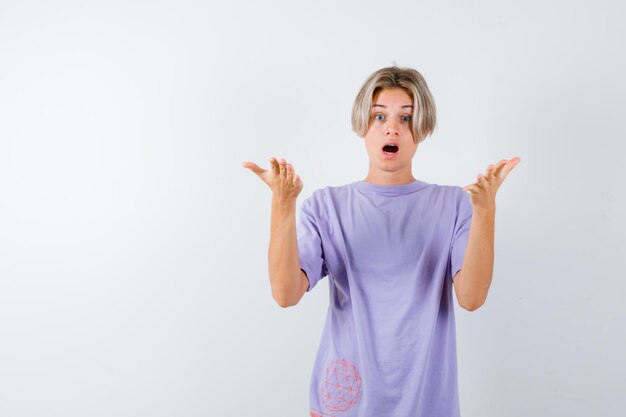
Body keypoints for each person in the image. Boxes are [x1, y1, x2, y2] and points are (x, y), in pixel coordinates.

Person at [242, 65, 520, 417]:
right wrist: (283, 204)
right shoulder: (326, 207)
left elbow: (472, 297)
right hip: (344, 402)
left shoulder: (453, 205)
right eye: (379, 116)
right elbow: (285, 293)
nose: (392, 127)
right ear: (362, 126)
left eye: (407, 118)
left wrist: (485, 211)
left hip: (427, 404)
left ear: (423, 129)